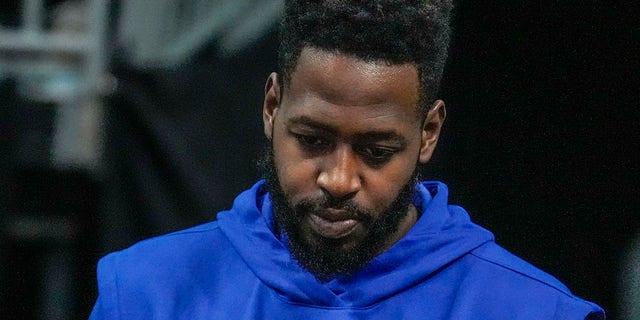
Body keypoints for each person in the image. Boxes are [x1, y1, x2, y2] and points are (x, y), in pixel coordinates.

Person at [89, 0, 605, 318]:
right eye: (312, 140)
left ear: (428, 133)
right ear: (272, 106)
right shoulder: (144, 295)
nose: (338, 179)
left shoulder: (533, 311)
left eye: (376, 152)